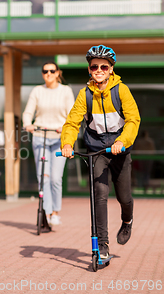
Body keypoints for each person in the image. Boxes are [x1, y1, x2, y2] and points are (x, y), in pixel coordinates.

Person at [60, 45, 140, 259]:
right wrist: (67, 144)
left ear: (111, 69)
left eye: (104, 66)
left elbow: (133, 120)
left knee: (124, 197)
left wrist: (122, 141)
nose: (99, 70)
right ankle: (102, 246)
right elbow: (71, 122)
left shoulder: (121, 90)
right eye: (94, 66)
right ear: (89, 69)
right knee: (100, 195)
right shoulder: (85, 94)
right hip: (97, 151)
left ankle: (127, 221)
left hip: (120, 149)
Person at [23, 62, 75, 226]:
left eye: (52, 71)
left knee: (55, 178)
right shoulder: (37, 91)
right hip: (41, 136)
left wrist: (64, 127)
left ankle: (55, 212)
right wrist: (27, 124)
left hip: (59, 138)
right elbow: (28, 112)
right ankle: (45, 213)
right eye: (45, 71)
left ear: (58, 73)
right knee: (43, 177)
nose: (48, 74)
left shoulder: (65, 91)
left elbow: (72, 114)